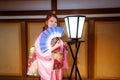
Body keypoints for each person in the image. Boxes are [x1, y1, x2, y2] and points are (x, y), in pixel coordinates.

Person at [34, 14, 68, 80]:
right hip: (49, 63)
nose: (53, 23)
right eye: (51, 21)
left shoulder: (57, 36)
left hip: (57, 61)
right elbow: (39, 50)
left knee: (57, 76)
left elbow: (61, 48)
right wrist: (55, 47)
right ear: (47, 22)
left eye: (55, 22)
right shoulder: (42, 35)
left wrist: (63, 46)